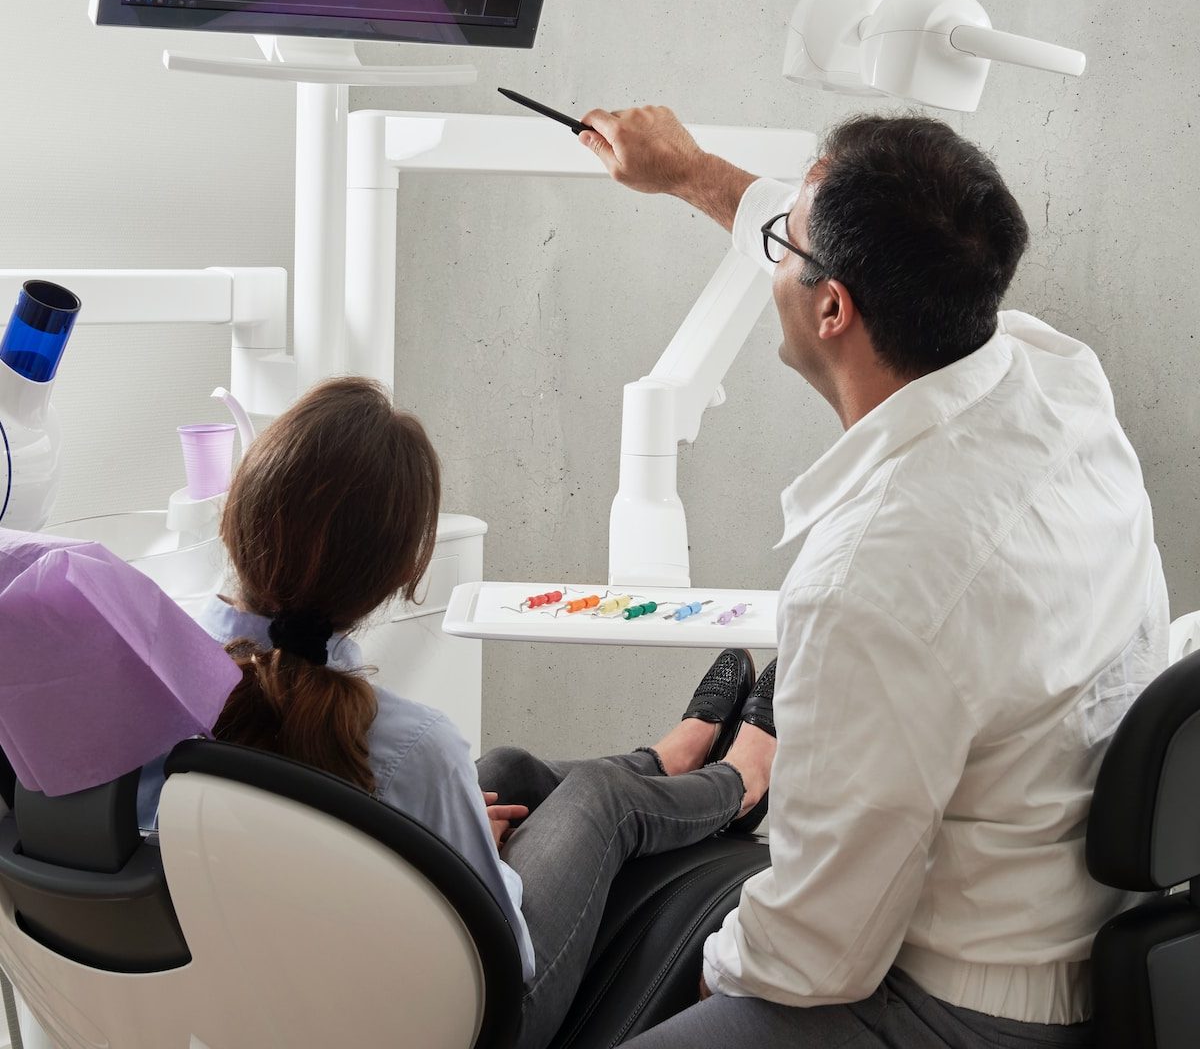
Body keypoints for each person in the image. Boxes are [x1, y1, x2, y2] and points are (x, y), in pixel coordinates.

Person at [575, 107, 1169, 1047]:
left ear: (833, 309)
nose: (777, 240)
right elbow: (840, 235)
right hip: (1068, 934)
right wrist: (689, 172)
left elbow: (815, 956)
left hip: (954, 1008)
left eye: (787, 240)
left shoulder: (874, 576)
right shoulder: (1057, 378)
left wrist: (702, 980)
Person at [187, 374, 779, 1049]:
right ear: (403, 575)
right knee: (597, 798)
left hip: (286, 996)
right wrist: (475, 871)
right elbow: (505, 951)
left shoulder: (166, 687)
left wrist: (455, 838)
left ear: (238, 505)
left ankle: (666, 763)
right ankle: (739, 784)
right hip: (466, 1023)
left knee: (505, 769)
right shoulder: (413, 747)